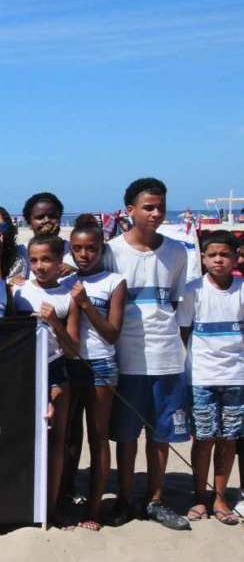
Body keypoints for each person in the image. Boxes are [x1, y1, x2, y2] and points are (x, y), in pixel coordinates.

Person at [103, 177, 191, 530]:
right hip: (126, 358)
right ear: (130, 211)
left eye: (160, 207)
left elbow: (181, 308)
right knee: (125, 437)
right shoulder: (111, 251)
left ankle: (156, 499)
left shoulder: (178, 251)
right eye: (148, 207)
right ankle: (125, 498)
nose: (155, 214)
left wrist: (177, 347)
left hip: (168, 356)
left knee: (160, 435)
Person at [12, 234, 80, 526]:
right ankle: (20, 503)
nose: (40, 266)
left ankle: (50, 508)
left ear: (59, 260)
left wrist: (54, 321)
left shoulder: (68, 296)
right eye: (34, 260)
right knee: (20, 438)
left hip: (56, 369)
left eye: (47, 259)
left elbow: (73, 349)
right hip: (22, 370)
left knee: (57, 440)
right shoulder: (16, 291)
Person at [177, 231, 243, 525]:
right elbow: (184, 330)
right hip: (202, 376)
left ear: (236, 257)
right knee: (203, 438)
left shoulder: (242, 289)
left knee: (228, 439)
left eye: (225, 254)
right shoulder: (193, 290)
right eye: (212, 255)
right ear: (203, 259)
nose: (219, 260)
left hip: (237, 377)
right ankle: (199, 496)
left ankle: (220, 496)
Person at [67, 214, 126, 531]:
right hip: (69, 364)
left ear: (101, 249)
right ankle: (64, 498)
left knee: (98, 438)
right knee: (67, 436)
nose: (84, 255)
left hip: (101, 364)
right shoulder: (67, 279)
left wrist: (87, 304)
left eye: (91, 248)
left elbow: (113, 333)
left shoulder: (114, 282)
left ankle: (94, 507)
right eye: (77, 249)